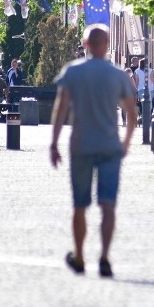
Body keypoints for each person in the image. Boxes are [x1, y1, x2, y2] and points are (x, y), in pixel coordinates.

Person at [50, 24, 136, 278]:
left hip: (82, 145)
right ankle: (105, 258)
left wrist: (53, 144)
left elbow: (61, 109)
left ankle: (79, 256)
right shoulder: (118, 75)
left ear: (86, 45)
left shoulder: (73, 72)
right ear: (107, 45)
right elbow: (132, 114)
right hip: (110, 145)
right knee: (108, 205)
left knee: (80, 204)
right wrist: (126, 143)